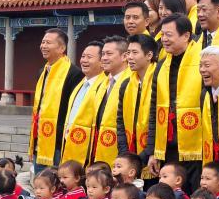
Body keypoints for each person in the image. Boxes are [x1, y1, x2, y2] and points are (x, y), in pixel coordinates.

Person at [146, 14, 203, 194]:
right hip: (168, 145)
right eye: (162, 34)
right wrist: (153, 151)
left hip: (197, 145)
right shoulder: (161, 66)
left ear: (186, 36)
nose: (164, 39)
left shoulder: (203, 61)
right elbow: (154, 110)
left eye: (169, 35)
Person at [30, 28, 83, 171]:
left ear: (62, 48)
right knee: (40, 181)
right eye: (43, 42)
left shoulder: (74, 74)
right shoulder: (42, 72)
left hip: (58, 143)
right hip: (40, 140)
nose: (43, 46)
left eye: (48, 43)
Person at [62, 41, 108, 166]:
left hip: (89, 148)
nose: (84, 60)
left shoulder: (105, 86)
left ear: (101, 62)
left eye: (89, 57)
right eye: (83, 56)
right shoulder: (80, 84)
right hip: (70, 142)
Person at [117, 35, 157, 172]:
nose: (129, 57)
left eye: (135, 52)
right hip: (130, 152)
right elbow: (120, 122)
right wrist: (125, 154)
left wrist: (148, 152)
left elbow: (157, 119)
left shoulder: (160, 79)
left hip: (153, 155)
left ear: (149, 55)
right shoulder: (126, 84)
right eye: (128, 53)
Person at [93, 36, 131, 165]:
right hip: (100, 144)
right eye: (103, 54)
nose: (104, 58)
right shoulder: (104, 83)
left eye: (109, 54)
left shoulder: (131, 82)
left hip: (123, 148)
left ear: (124, 56)